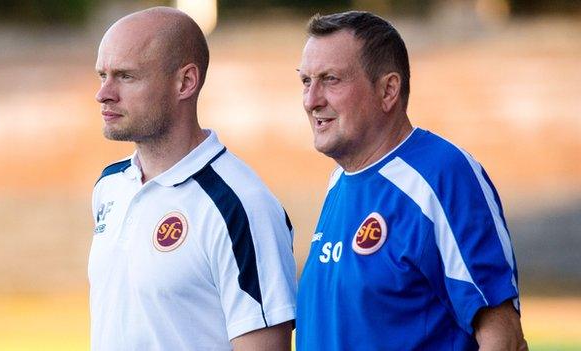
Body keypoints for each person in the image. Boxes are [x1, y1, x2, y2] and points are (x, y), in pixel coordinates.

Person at [295, 11, 527, 350]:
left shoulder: (442, 175)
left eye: (331, 79)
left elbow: (503, 338)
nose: (311, 100)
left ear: (388, 90)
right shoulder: (339, 183)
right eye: (305, 81)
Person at [89, 7, 296, 350]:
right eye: (102, 75)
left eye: (126, 76)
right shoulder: (109, 186)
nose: (104, 93)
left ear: (185, 82)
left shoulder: (240, 206)